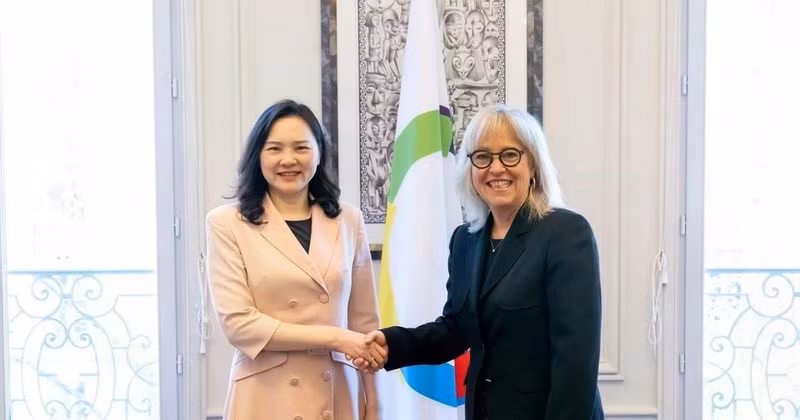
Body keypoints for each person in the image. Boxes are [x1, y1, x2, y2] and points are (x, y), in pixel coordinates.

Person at [356, 104, 604, 420]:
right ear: (471, 169)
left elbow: (576, 363)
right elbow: (457, 331)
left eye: (510, 155)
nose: (496, 168)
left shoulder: (566, 234)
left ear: (533, 166)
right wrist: (392, 344)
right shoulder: (466, 240)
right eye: (483, 157)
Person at [206, 99, 385, 420]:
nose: (288, 159)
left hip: (338, 393)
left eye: (301, 147)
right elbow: (239, 324)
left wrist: (374, 404)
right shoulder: (226, 223)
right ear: (257, 155)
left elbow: (365, 325)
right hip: (264, 397)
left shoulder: (348, 220)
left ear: (319, 152)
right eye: (274, 148)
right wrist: (336, 337)